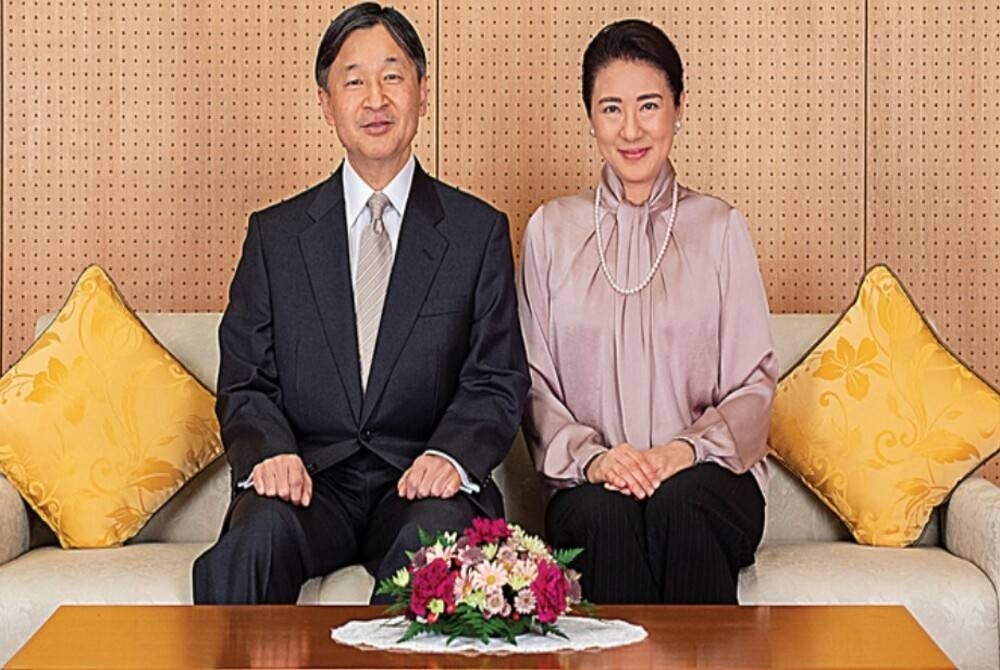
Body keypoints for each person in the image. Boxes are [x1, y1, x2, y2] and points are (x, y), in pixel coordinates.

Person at [193, 2, 529, 604]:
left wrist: (449, 456)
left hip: (422, 484)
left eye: (392, 76)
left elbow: (496, 378)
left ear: (422, 92)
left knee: (443, 541)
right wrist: (270, 453)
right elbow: (245, 378)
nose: (375, 98)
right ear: (327, 103)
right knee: (253, 540)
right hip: (309, 483)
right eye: (354, 81)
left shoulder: (477, 233)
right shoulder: (276, 237)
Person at [517, 19, 778, 604]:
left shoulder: (720, 229)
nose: (631, 129)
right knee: (606, 517)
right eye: (611, 108)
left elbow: (754, 386)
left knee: (678, 505)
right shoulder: (550, 232)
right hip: (588, 483)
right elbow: (532, 385)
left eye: (649, 105)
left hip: (709, 478)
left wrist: (680, 453)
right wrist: (596, 459)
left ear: (679, 108)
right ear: (590, 117)